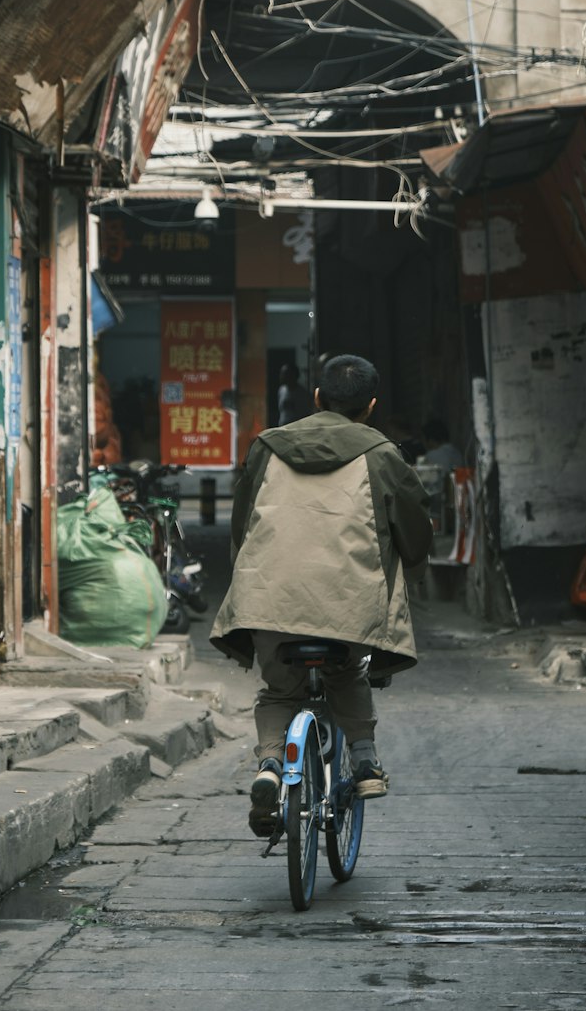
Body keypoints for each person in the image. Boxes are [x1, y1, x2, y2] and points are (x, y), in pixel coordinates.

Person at [211, 353, 433, 838]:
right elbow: (415, 533)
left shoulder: (267, 447)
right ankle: (367, 763)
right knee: (347, 670)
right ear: (370, 406)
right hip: (347, 602)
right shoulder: (382, 455)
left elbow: (242, 523)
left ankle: (270, 765)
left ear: (316, 399)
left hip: (268, 596)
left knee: (278, 691)